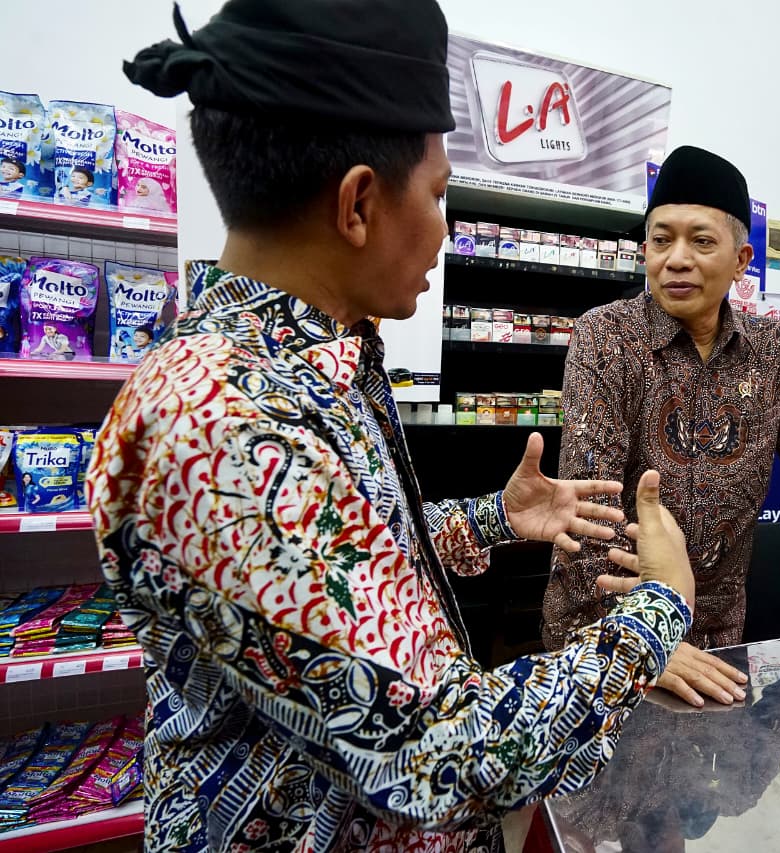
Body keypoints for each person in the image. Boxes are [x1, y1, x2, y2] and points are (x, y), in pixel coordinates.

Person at [87, 2, 696, 850]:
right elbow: (444, 751)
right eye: (440, 194)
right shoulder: (222, 423)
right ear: (359, 204)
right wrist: (659, 609)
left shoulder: (305, 366)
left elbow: (332, 569)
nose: (446, 229)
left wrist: (490, 519)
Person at [544, 145, 780, 708]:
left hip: (720, 633)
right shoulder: (606, 337)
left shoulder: (773, 351)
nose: (676, 259)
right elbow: (587, 507)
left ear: (741, 258)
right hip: (610, 632)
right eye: (661, 240)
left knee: (718, 759)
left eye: (702, 241)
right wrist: (634, 641)